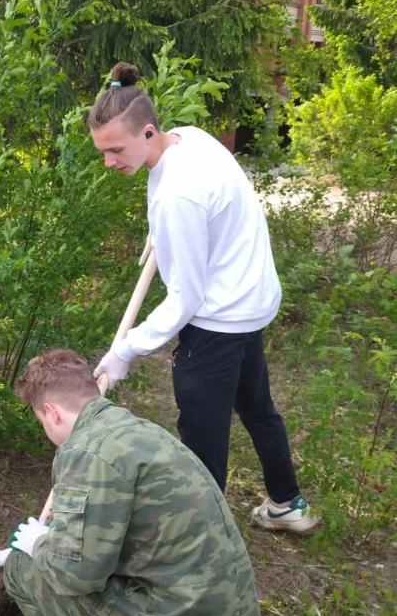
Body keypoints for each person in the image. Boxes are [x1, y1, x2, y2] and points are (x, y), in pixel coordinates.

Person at [88, 62, 317, 534]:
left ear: (148, 132)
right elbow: (198, 215)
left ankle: (202, 540)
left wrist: (125, 349)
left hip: (218, 319)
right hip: (249, 300)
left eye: (115, 150)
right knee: (257, 408)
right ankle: (287, 504)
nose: (109, 162)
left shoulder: (179, 196)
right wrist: (161, 235)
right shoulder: (190, 138)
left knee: (201, 435)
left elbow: (184, 301)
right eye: (103, 151)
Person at [0, 348, 286, 616]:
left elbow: (75, 576)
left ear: (51, 412)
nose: (46, 429)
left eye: (41, 420)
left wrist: (35, 546)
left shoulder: (86, 451)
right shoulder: (143, 433)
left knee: (19, 569)